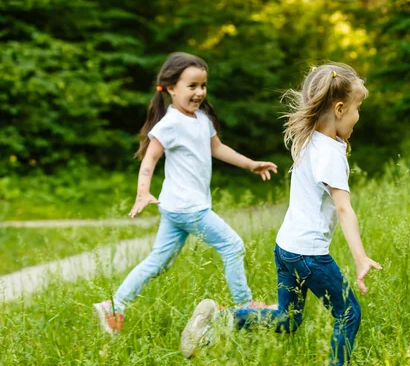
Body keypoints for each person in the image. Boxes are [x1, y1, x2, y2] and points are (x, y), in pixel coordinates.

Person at [180, 63, 381, 365]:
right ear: (339, 108)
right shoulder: (330, 156)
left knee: (286, 319)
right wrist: (360, 257)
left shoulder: (308, 139)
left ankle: (218, 321)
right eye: (357, 109)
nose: (358, 116)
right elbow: (344, 208)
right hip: (311, 256)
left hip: (286, 249)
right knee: (348, 313)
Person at [93, 52, 278, 334]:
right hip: (188, 208)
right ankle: (244, 305)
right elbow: (150, 159)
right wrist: (142, 192)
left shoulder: (201, 118)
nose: (199, 92)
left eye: (202, 86)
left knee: (158, 262)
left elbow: (217, 148)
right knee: (232, 246)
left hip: (176, 207)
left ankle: (114, 306)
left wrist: (249, 164)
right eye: (192, 86)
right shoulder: (169, 125)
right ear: (171, 88)